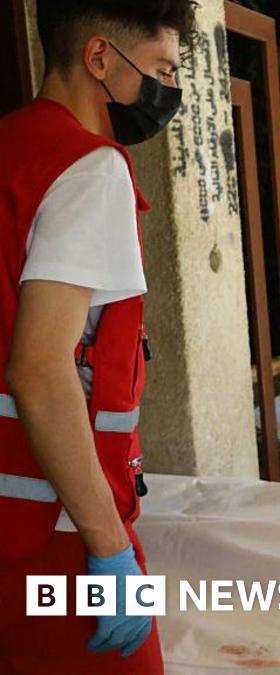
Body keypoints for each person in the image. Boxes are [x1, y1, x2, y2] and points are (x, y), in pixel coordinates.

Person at [0, 1, 194, 672]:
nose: (169, 93)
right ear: (100, 57)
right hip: (56, 530)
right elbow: (39, 368)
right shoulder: (89, 171)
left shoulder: (10, 147)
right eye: (163, 70)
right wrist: (109, 546)